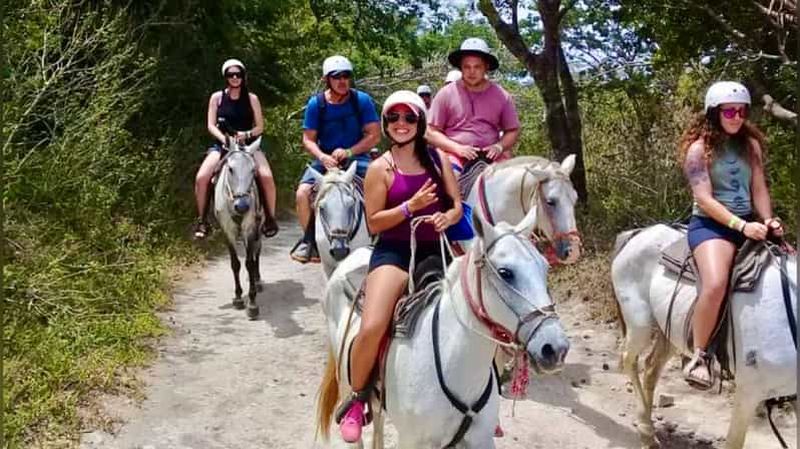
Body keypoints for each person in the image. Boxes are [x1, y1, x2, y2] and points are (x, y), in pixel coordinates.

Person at [336, 91, 463, 442]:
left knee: (475, 309)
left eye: (409, 118)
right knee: (374, 323)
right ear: (386, 124)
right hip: (392, 250)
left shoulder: (438, 158)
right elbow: (374, 223)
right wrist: (411, 206)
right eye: (394, 118)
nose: (401, 124)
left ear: (420, 122)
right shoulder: (380, 168)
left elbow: (456, 205)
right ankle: (357, 398)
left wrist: (445, 217)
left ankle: (483, 394)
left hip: (434, 248)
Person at [680, 81, 784, 390]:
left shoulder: (750, 146)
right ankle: (699, 355)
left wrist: (769, 219)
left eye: (741, 111)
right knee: (715, 285)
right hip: (712, 226)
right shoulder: (698, 151)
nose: (736, 116)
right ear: (715, 112)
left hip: (751, 222)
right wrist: (741, 226)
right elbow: (704, 199)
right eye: (729, 111)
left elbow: (759, 188)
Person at [291, 55, 381, 263]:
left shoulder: (361, 101)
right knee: (303, 193)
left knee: (381, 187)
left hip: (358, 158)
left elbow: (374, 135)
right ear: (327, 80)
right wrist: (322, 157)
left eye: (346, 76)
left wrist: (349, 151)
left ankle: (382, 237)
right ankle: (310, 241)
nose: (342, 81)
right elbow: (308, 139)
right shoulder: (317, 104)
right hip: (325, 160)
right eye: (336, 77)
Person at [193, 59, 278, 240]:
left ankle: (270, 217)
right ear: (225, 77)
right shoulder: (217, 98)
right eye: (230, 75)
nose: (234, 78)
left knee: (266, 176)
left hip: (248, 146)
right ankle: (202, 220)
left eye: (238, 74)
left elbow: (260, 127)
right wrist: (224, 138)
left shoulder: (252, 98)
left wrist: (245, 134)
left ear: (243, 76)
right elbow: (210, 125)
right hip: (223, 145)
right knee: (202, 177)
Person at [427, 38, 521, 173]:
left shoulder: (501, 95)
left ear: (486, 67)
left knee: (516, 180)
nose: (472, 72)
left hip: (491, 155)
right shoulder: (446, 94)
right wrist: (457, 148)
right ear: (461, 67)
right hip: (455, 155)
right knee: (452, 175)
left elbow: (513, 130)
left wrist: (499, 146)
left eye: (477, 67)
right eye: (467, 67)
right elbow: (430, 132)